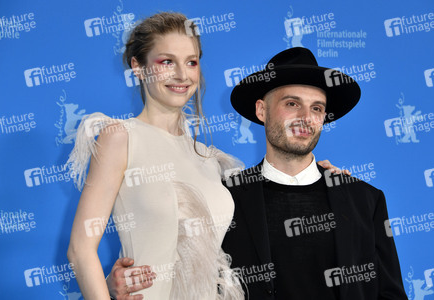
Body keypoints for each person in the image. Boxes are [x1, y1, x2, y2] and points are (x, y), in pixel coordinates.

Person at [107, 47, 407, 300]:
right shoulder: (223, 196)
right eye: (292, 104)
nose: (306, 117)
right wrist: (116, 286)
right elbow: (181, 277)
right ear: (262, 111)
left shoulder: (364, 200)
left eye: (317, 109)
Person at [66, 12, 246, 300]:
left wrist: (324, 175)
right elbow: (80, 248)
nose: (182, 75)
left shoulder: (210, 159)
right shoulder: (120, 138)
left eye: (191, 62)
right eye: (166, 62)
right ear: (138, 67)